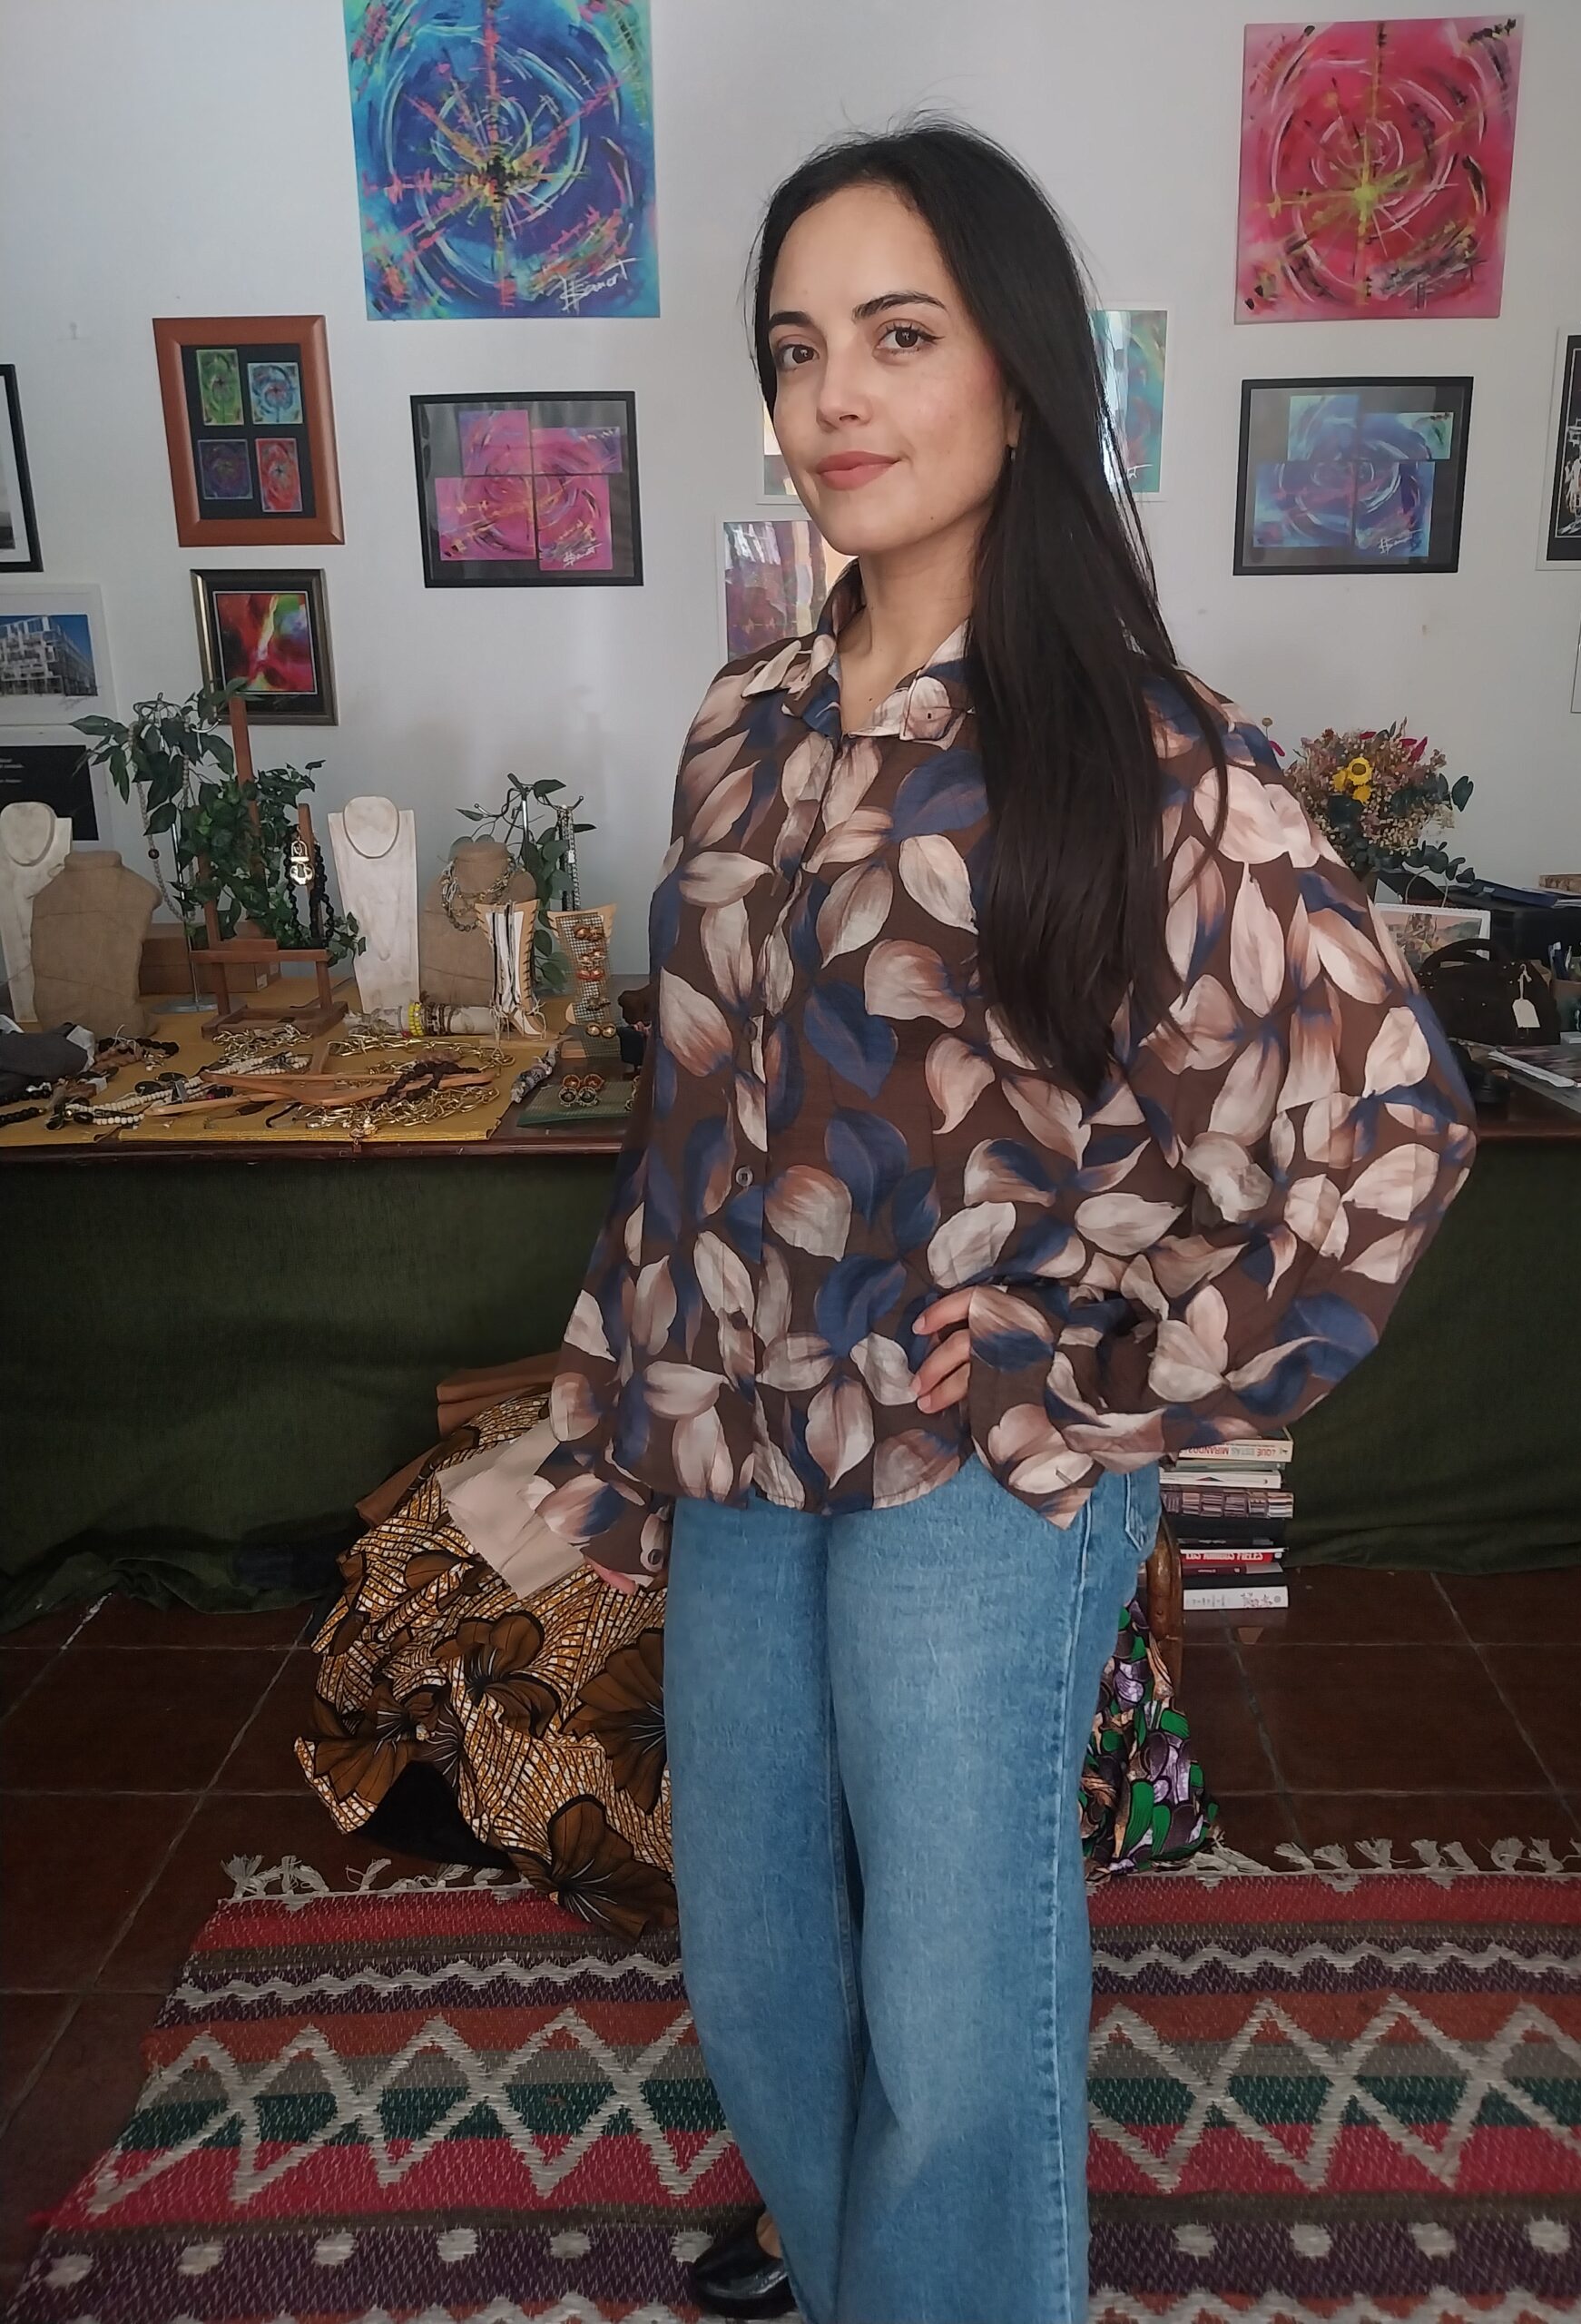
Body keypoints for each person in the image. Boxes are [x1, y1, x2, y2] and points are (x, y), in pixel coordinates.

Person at [305, 113, 1475, 2324]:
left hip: (972, 1471)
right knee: (759, 1953)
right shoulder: (743, 725)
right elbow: (695, 1122)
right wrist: (615, 1434)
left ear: (1017, 375)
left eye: (899, 334)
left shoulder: (1154, 758)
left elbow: (1392, 1126)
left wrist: (1108, 1365)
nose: (833, 394)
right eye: (796, 344)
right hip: (744, 1446)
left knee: (955, 2009)